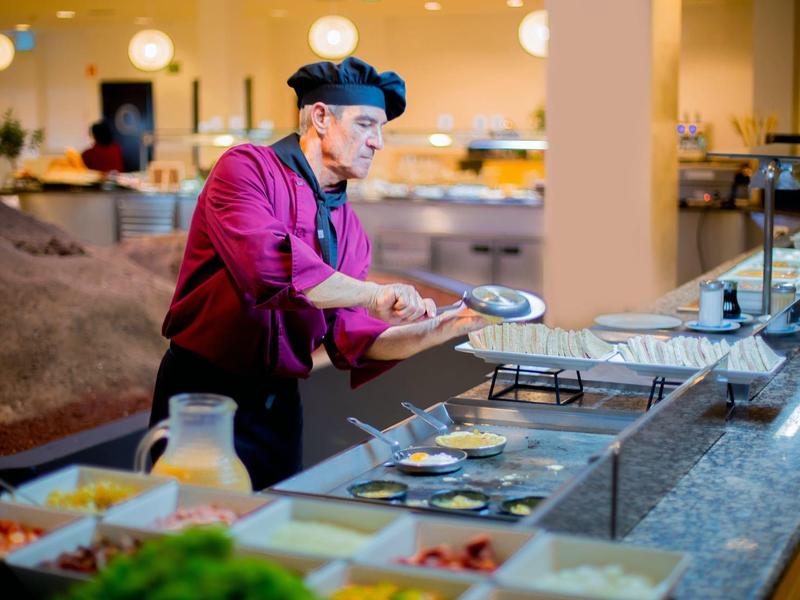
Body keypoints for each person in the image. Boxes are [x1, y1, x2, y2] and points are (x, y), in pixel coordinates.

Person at [150, 57, 489, 490]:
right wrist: (370, 294)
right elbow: (270, 267)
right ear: (321, 117)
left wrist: (446, 326)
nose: (378, 143)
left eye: (381, 129)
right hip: (203, 396)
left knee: (270, 526)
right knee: (189, 528)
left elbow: (354, 338)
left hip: (278, 403)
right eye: (366, 124)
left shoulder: (349, 227)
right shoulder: (245, 169)